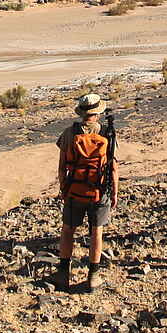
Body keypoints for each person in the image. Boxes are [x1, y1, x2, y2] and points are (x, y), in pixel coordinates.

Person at [55, 92, 118, 291]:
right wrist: (114, 191)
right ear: (98, 113)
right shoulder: (107, 133)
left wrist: (64, 188)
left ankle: (63, 273)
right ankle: (93, 276)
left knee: (68, 229)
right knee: (96, 232)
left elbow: (61, 166)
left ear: (81, 113)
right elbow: (113, 167)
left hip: (75, 188)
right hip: (99, 190)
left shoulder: (69, 133)